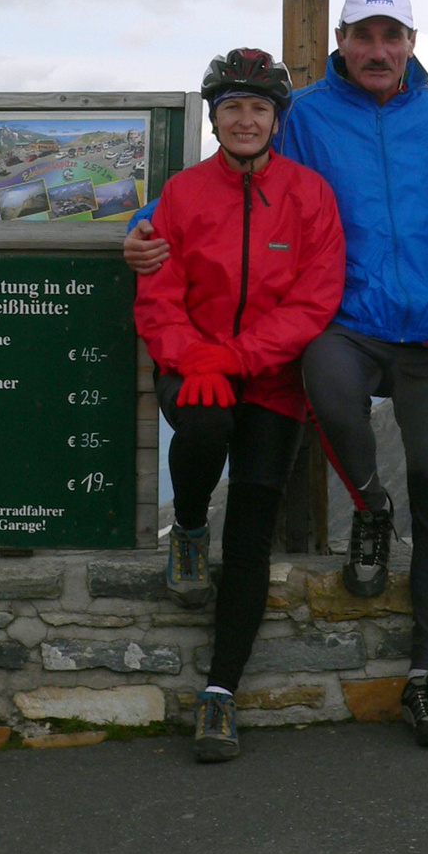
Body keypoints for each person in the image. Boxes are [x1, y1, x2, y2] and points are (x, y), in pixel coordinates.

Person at [127, 0, 428, 747]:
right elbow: (193, 203)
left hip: (423, 336)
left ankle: (417, 677)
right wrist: (142, 231)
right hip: (335, 332)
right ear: (340, 39)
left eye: (392, 35)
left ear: (410, 40)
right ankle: (347, 511)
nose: (378, 50)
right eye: (363, 36)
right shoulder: (300, 114)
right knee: (286, 409)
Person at [133, 49, 345, 763]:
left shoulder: (309, 195)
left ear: (277, 120)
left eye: (259, 108)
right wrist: (195, 355)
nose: (246, 118)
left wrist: (238, 356)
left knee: (251, 531)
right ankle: (189, 527)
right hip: (191, 367)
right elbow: (158, 291)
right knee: (204, 423)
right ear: (215, 119)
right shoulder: (183, 194)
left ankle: (219, 695)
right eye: (232, 108)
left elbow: (315, 299)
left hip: (273, 378)